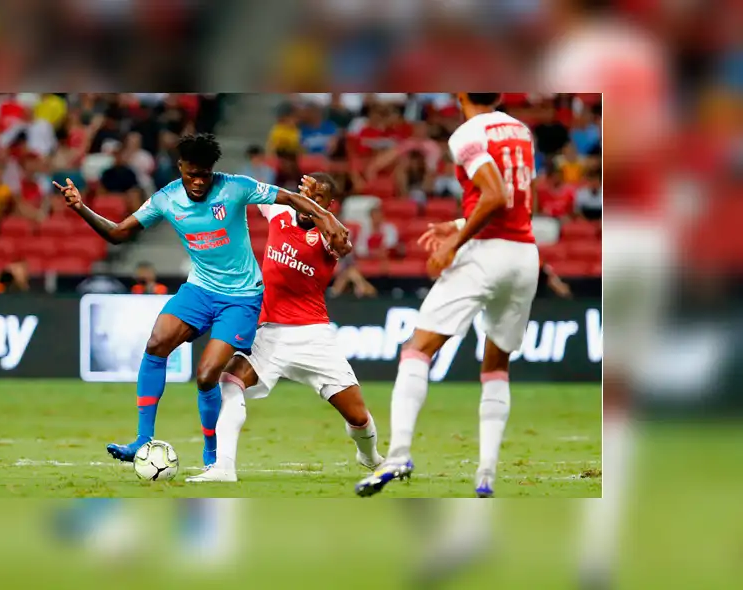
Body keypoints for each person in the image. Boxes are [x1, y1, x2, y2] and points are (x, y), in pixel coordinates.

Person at [53, 133, 348, 467]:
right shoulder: (166, 199)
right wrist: (81, 208)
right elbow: (118, 234)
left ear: (212, 171)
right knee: (156, 343)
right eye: (190, 173)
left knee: (207, 375)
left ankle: (211, 456)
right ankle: (142, 440)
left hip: (241, 298)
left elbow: (293, 200)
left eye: (204, 174)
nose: (197, 181)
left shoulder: (236, 187)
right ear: (179, 167)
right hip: (200, 289)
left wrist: (329, 220)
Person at [356, 93, 539, 498]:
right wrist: (458, 220)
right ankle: (486, 473)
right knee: (495, 367)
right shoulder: (521, 131)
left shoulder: (467, 134)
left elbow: (494, 195)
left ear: (460, 94)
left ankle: (399, 453)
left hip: (485, 254)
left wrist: (456, 240)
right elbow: (522, 201)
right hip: (525, 255)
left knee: (417, 349)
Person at [186, 173, 383, 482]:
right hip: (268, 333)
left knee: (358, 416)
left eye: (318, 200)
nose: (309, 204)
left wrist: (320, 213)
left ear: (329, 205)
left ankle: (370, 457)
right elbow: (250, 188)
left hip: (313, 336)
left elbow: (341, 243)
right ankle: (223, 467)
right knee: (230, 382)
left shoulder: (329, 235)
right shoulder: (280, 211)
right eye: (306, 196)